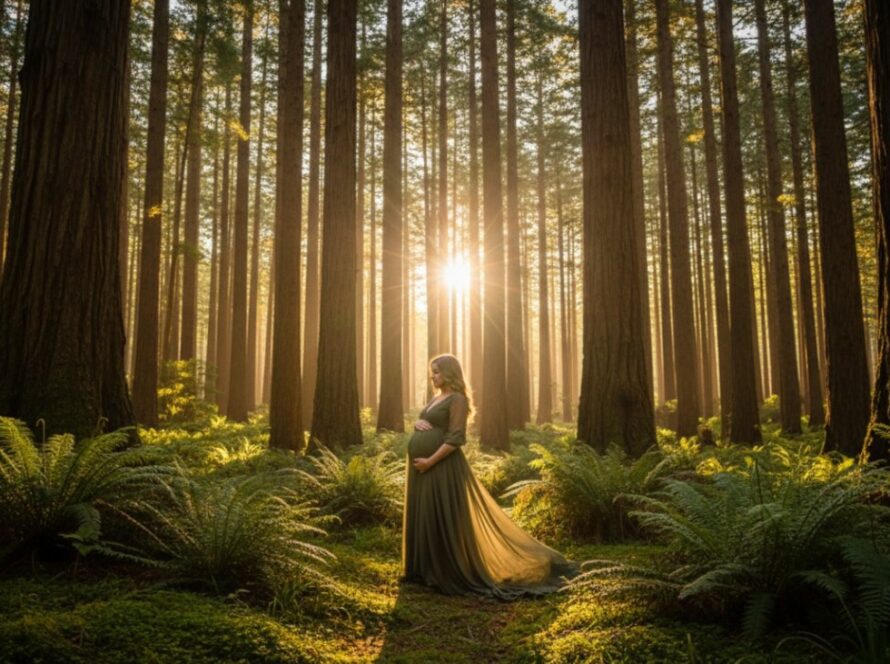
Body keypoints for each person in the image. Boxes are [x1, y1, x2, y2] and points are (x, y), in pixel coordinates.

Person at [400, 353, 577, 600]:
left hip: (442, 468)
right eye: (433, 371)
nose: (434, 375)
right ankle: (423, 570)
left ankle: (442, 572)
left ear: (450, 373)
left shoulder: (458, 400)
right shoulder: (436, 398)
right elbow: (429, 423)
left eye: (438, 371)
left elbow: (455, 439)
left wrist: (430, 461)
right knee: (425, 512)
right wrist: (417, 423)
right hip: (423, 469)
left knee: (441, 515)